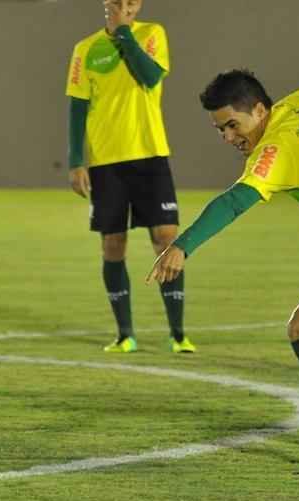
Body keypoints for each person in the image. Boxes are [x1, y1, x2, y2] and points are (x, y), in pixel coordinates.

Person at [148, 70, 299, 476]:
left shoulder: (276, 150)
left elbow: (235, 200)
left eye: (232, 125)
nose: (228, 137)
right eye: (220, 130)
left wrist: (182, 246)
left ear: (259, 110)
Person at [66, 0, 194, 354]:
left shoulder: (152, 34)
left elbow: (149, 76)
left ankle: (178, 333)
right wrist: (77, 161)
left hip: (151, 154)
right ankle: (125, 334)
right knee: (112, 245)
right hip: (106, 161)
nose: (124, 7)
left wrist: (123, 33)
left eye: (131, 2)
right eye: (117, 2)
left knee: (166, 239)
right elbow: (77, 107)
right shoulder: (85, 49)